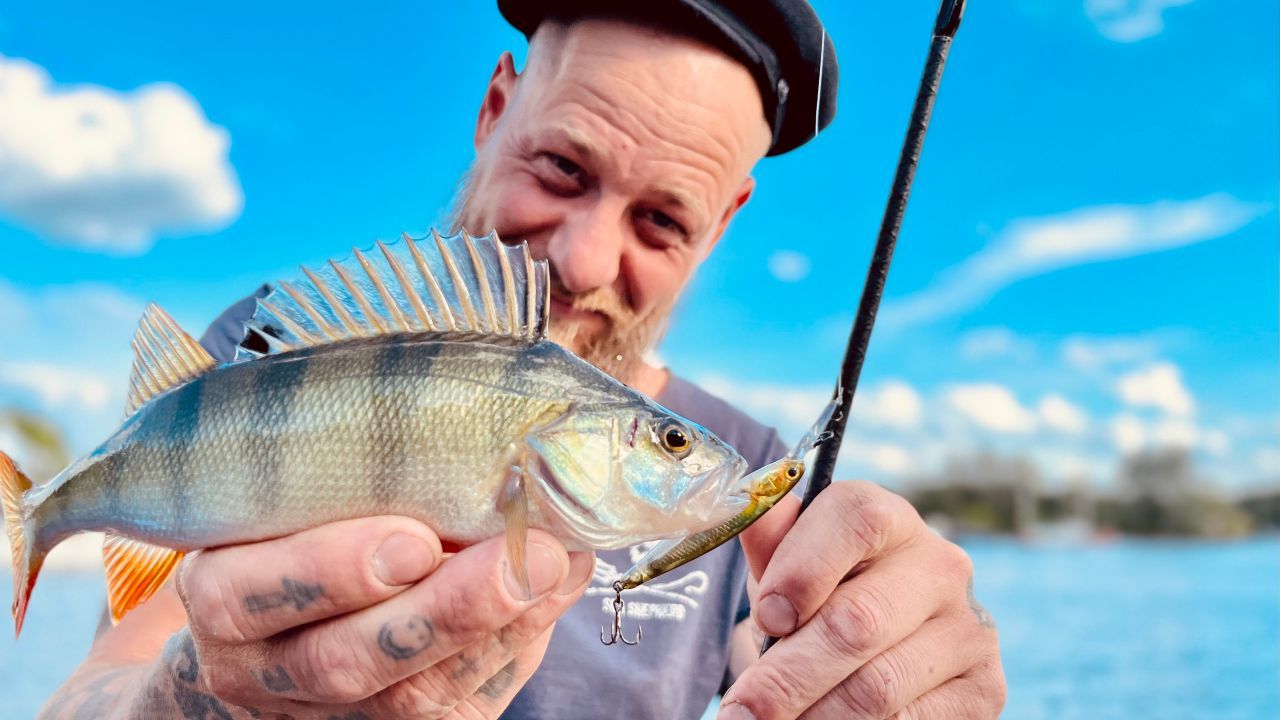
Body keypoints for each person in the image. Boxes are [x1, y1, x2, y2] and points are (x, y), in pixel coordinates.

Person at [39, 2, 1006, 718]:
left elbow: (791, 663)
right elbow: (90, 691)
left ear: (722, 226)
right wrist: (199, 701)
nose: (581, 262)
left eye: (663, 219)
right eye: (562, 169)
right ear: (495, 108)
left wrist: (880, 668)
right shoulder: (265, 349)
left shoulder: (745, 490)